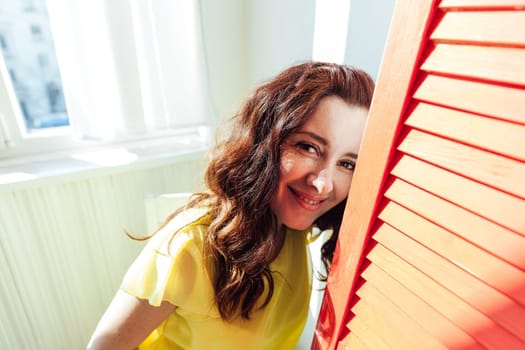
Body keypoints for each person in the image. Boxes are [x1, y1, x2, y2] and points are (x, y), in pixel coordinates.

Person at [87, 61, 374, 350]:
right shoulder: (192, 245)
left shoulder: (293, 228)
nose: (323, 184)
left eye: (347, 164)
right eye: (308, 147)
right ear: (267, 140)